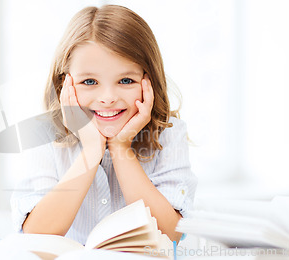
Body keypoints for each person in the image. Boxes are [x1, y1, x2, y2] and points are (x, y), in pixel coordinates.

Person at [10, 4, 197, 244]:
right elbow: (35, 234)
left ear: (148, 82)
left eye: (125, 80)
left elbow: (170, 233)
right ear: (63, 86)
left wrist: (121, 148)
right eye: (89, 81)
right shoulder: (45, 134)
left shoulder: (169, 134)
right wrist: (91, 150)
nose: (108, 97)